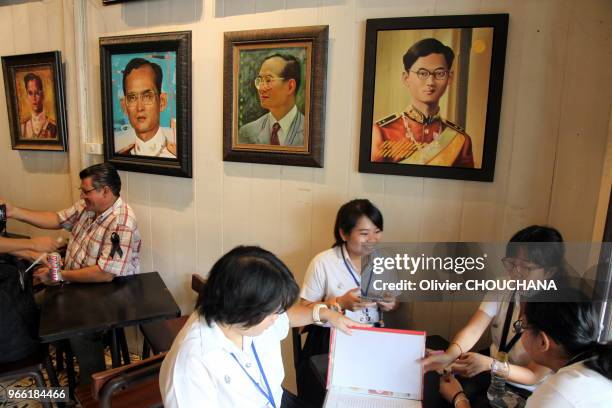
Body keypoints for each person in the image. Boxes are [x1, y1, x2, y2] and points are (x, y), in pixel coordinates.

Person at [159, 245, 362, 407]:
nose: (279, 317)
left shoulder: (246, 319)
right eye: (274, 312)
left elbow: (288, 317)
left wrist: (326, 314)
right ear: (243, 310)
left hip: (276, 400)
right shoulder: (193, 362)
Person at [1, 162, 141, 384]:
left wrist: (59, 276)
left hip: (107, 292)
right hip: (76, 286)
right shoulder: (89, 207)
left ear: (105, 190)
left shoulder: (122, 221)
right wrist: (15, 212)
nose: (82, 196)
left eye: (86, 191)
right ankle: (53, 360)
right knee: (27, 308)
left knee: (79, 329)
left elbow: (105, 273)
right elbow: (57, 219)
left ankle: (94, 388)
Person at [422, 226, 567, 401]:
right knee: (431, 381)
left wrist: (490, 365)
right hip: (490, 372)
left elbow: (534, 375)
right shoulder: (502, 286)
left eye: (527, 268)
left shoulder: (559, 308)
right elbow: (474, 330)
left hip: (524, 388)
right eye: (512, 264)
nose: (516, 273)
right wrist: (450, 355)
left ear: (549, 272)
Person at [438, 289, 612, 407]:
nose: (518, 329)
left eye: (522, 326)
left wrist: (459, 399)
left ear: (543, 341)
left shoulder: (556, 394)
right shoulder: (594, 365)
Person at [371, 38, 474, 167]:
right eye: (422, 73)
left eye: (440, 73)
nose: (430, 82)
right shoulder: (383, 131)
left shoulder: (460, 140)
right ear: (406, 78)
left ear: (449, 78)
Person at [114, 58, 177, 158]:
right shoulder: (122, 156)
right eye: (132, 98)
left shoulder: (174, 157)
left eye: (147, 96)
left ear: (162, 102)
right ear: (124, 106)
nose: (140, 107)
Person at [238, 54, 305, 146]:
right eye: (260, 80)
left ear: (290, 86)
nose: (261, 88)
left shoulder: (309, 131)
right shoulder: (247, 132)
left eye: (268, 80)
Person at [20, 73, 57, 139]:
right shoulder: (22, 126)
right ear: (27, 96)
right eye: (30, 93)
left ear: (42, 95)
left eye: (37, 93)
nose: (34, 98)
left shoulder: (53, 126)